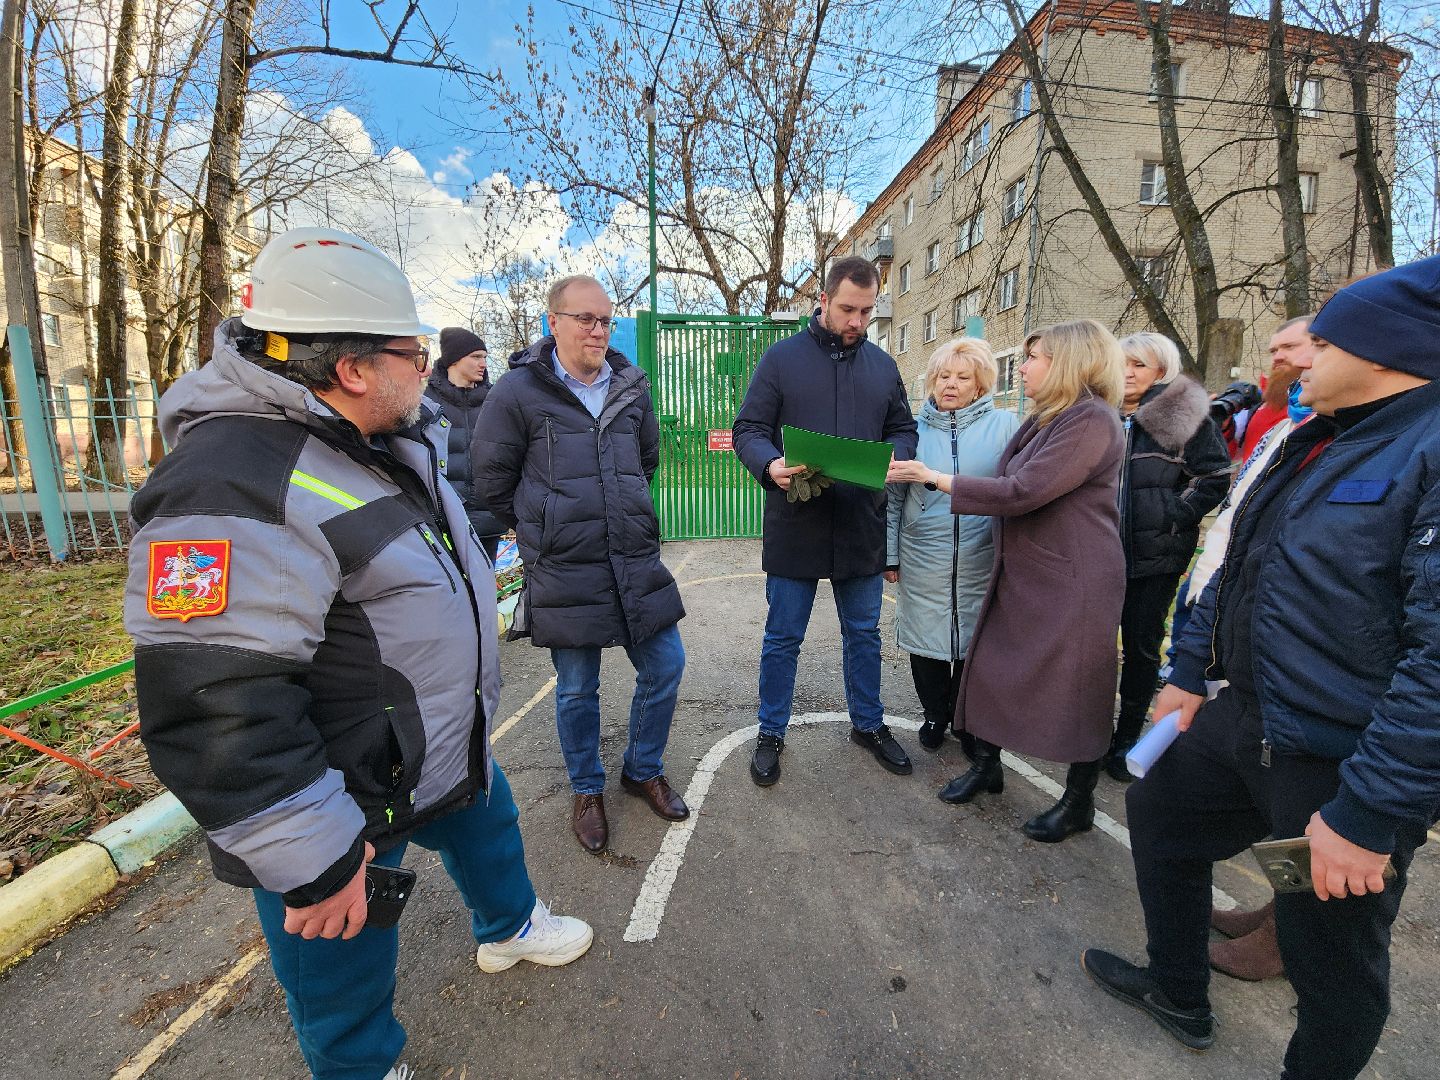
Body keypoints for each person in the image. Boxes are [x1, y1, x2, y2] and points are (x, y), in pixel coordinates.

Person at [124, 227, 591, 1080]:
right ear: (352, 368)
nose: (426, 367)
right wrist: (314, 859)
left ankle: (509, 929)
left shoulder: (371, 436)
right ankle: (362, 1068)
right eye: (412, 352)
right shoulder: (231, 481)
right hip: (343, 789)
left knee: (489, 831)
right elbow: (216, 702)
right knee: (338, 954)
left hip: (431, 741)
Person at [1081, 256, 1440, 1079]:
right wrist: (1185, 671)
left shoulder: (1429, 450)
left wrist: (1370, 812)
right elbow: (1232, 566)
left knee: (1332, 961)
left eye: (1323, 342)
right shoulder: (1313, 440)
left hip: (1339, 760)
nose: (1296, 357)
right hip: (1242, 713)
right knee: (1163, 816)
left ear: (1386, 352)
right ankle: (1178, 990)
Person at [887, 319, 1125, 843]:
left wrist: (934, 477)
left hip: (1074, 577)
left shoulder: (1090, 420)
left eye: (1034, 356)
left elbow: (1021, 490)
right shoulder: (1047, 417)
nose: (1024, 365)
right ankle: (987, 764)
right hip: (1025, 568)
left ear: (1069, 361)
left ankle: (1079, 799)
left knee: (1081, 685)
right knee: (990, 664)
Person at [474, 274, 688, 855]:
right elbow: (491, 478)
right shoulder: (517, 392)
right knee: (575, 688)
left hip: (632, 555)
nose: (598, 330)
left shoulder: (631, 387)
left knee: (667, 663)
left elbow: (646, 461)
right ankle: (586, 789)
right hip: (566, 565)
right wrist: (541, 526)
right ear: (554, 323)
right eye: (585, 319)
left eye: (605, 319)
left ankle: (642, 767)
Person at [732, 255, 919, 786]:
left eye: (866, 310)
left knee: (863, 633)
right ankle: (771, 730)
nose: (857, 321)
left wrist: (891, 458)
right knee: (782, 636)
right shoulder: (781, 359)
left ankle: (868, 723)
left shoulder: (884, 366)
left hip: (861, 521)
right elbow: (748, 428)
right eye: (847, 309)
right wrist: (769, 464)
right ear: (823, 300)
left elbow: (903, 428)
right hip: (798, 523)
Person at [1104, 333, 1230, 782]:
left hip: (1154, 556)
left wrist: (1172, 514)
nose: (1127, 373)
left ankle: (1125, 740)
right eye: (1120, 363)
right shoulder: (1102, 413)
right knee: (1097, 650)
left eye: (1138, 365)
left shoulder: (1181, 414)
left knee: (1140, 649)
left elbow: (1214, 476)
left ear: (1162, 371)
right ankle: (1096, 734)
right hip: (1100, 555)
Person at [884, 337, 1018, 753]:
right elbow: (893, 498)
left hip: (983, 555)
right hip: (924, 552)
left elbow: (1018, 491)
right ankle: (935, 715)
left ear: (980, 385)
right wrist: (889, 554)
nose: (951, 384)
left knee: (974, 645)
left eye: (962, 377)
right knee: (925, 644)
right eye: (943, 376)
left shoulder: (1007, 427)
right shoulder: (913, 430)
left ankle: (966, 720)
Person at [424, 327, 506, 562]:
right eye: (476, 356)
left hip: (490, 516)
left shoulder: (497, 401)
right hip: (445, 519)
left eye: (485, 358)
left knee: (484, 586)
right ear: (454, 360)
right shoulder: (426, 403)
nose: (483, 364)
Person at [1238, 315, 1310, 461]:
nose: (1277, 357)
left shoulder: (1326, 405)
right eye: (1274, 351)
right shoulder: (1265, 402)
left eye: (1289, 347)